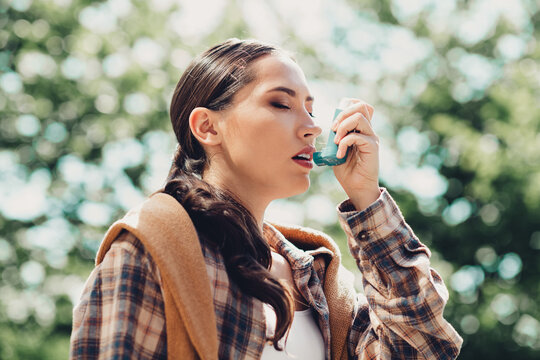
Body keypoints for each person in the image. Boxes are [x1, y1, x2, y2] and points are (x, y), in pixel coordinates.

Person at [70, 38, 463, 359]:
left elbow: (425, 348)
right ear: (207, 127)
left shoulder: (322, 284)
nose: (312, 128)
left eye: (311, 109)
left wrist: (366, 198)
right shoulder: (151, 249)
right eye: (281, 103)